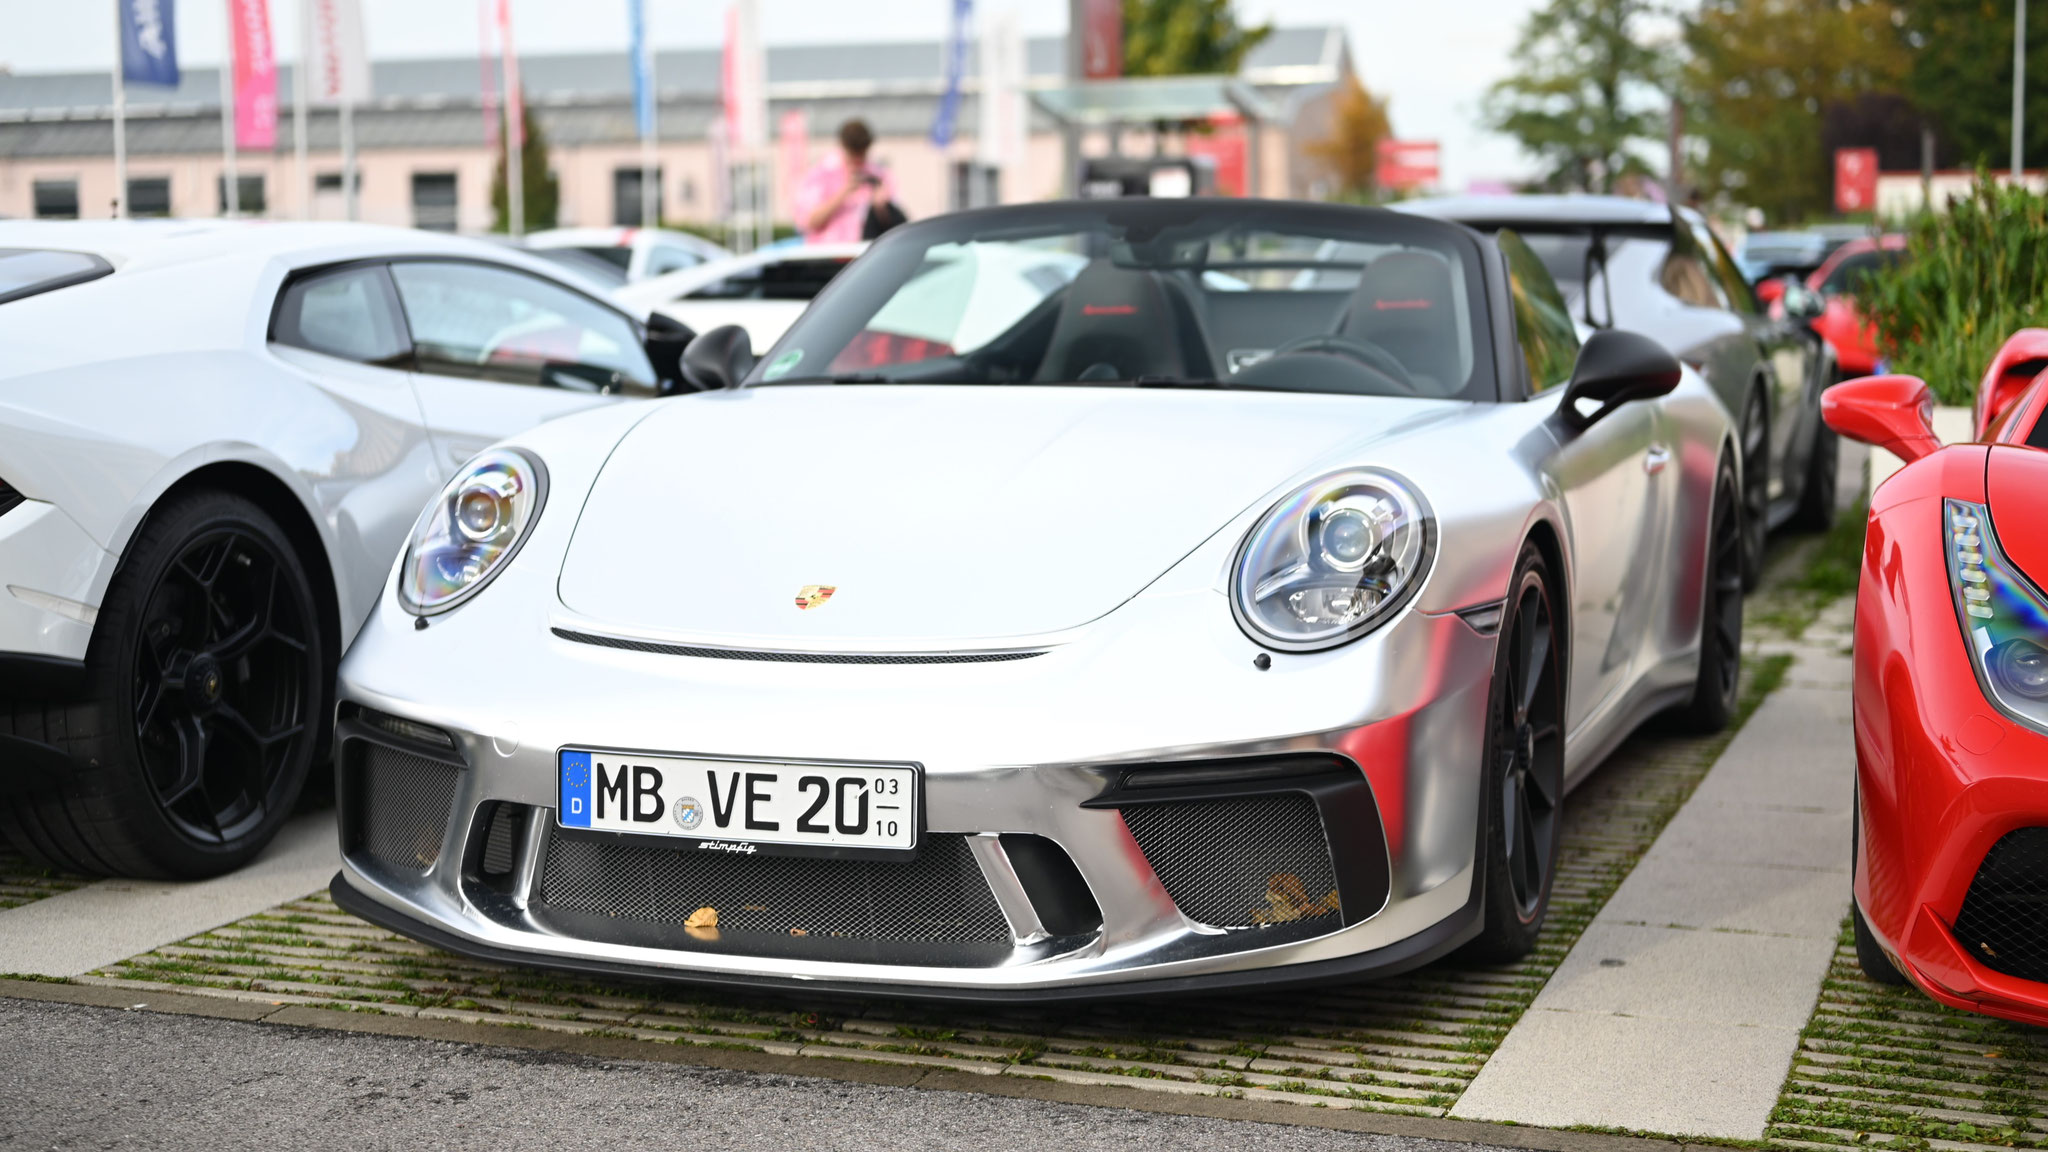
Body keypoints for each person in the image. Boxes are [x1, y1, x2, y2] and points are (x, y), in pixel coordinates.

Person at [794, 118, 901, 244]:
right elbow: (808, 222)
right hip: (828, 256)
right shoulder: (821, 173)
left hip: (868, 254)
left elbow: (896, 224)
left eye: (861, 155)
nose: (858, 161)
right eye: (853, 156)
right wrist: (843, 193)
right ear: (843, 147)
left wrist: (881, 207)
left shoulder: (878, 175)